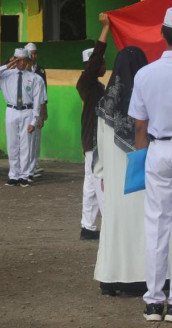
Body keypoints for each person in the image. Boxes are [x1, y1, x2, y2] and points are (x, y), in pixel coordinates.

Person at [129, 7, 172, 322]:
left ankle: (153, 302)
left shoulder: (145, 73)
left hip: (155, 149)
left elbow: (140, 126)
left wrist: (142, 160)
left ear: (163, 34)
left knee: (156, 225)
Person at [93, 46, 148, 296]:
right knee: (141, 223)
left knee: (115, 223)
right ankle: (141, 277)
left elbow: (99, 142)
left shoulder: (106, 102)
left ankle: (111, 278)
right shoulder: (147, 100)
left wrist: (102, 172)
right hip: (141, 172)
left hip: (115, 176)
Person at [0, 48, 42, 187]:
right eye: (18, 60)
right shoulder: (6, 75)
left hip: (27, 112)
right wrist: (6, 66)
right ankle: (13, 175)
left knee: (25, 145)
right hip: (11, 110)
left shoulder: (35, 78)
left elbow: (37, 101)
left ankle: (24, 175)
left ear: (28, 61)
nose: (21, 63)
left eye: (24, 60)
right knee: (12, 144)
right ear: (14, 60)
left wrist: (34, 120)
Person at [76, 13, 109, 240]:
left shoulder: (93, 85)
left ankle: (88, 226)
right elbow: (98, 57)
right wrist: (105, 29)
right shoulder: (87, 81)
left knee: (91, 183)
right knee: (100, 181)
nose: (104, 64)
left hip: (93, 140)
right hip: (95, 141)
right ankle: (109, 224)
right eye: (100, 62)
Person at [24, 42, 47, 178]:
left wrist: (44, 112)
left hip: (38, 107)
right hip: (26, 108)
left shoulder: (41, 70)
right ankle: (27, 166)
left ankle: (34, 164)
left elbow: (45, 92)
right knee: (26, 138)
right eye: (31, 53)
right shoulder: (22, 71)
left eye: (35, 53)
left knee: (36, 137)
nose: (34, 56)